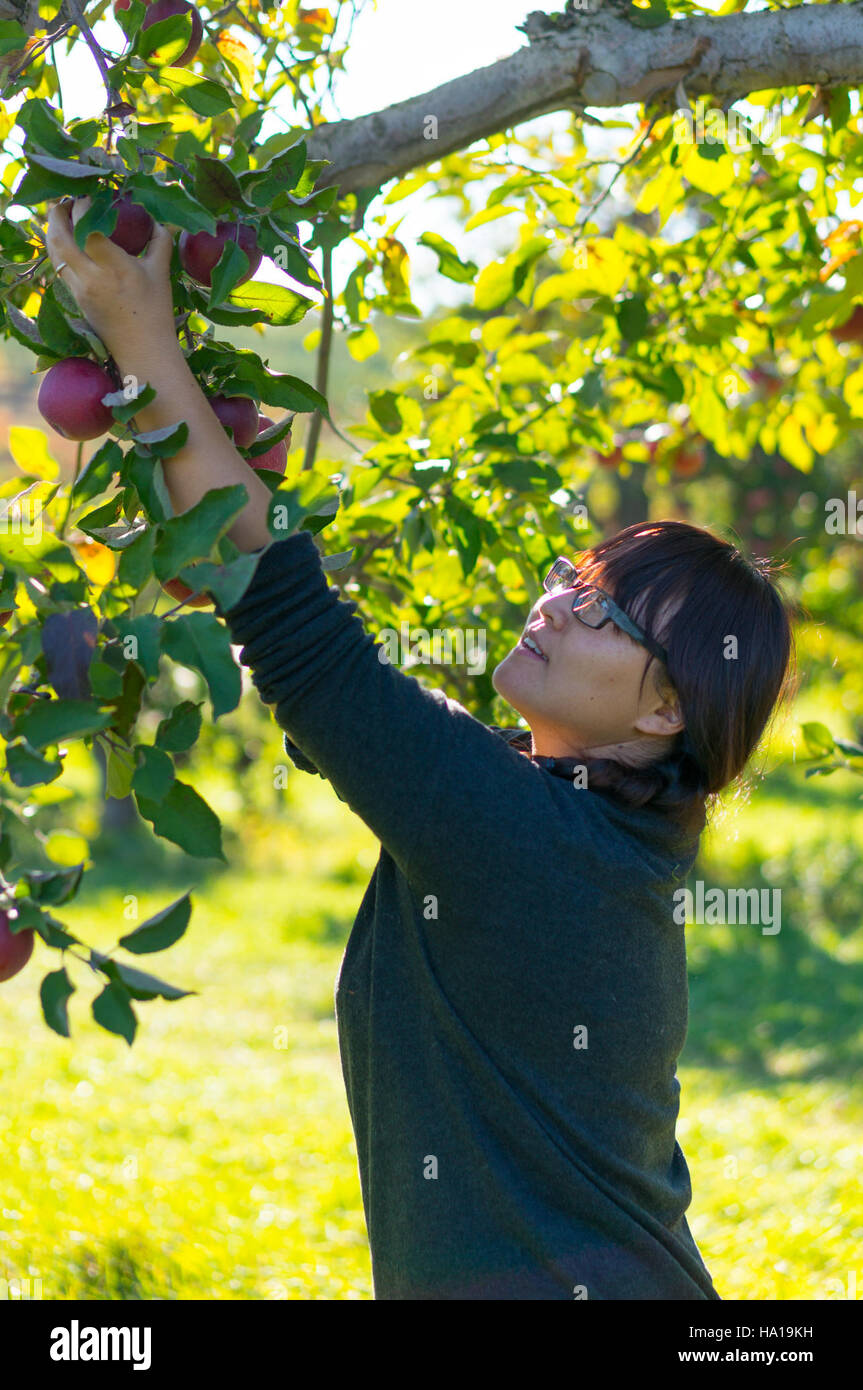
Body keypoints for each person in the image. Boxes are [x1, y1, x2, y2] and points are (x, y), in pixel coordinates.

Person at [45, 204, 795, 1300]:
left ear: (663, 713)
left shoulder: (523, 838)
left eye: (602, 613)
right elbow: (359, 703)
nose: (552, 604)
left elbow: (299, 636)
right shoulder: (599, 832)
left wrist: (140, 334)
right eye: (570, 578)